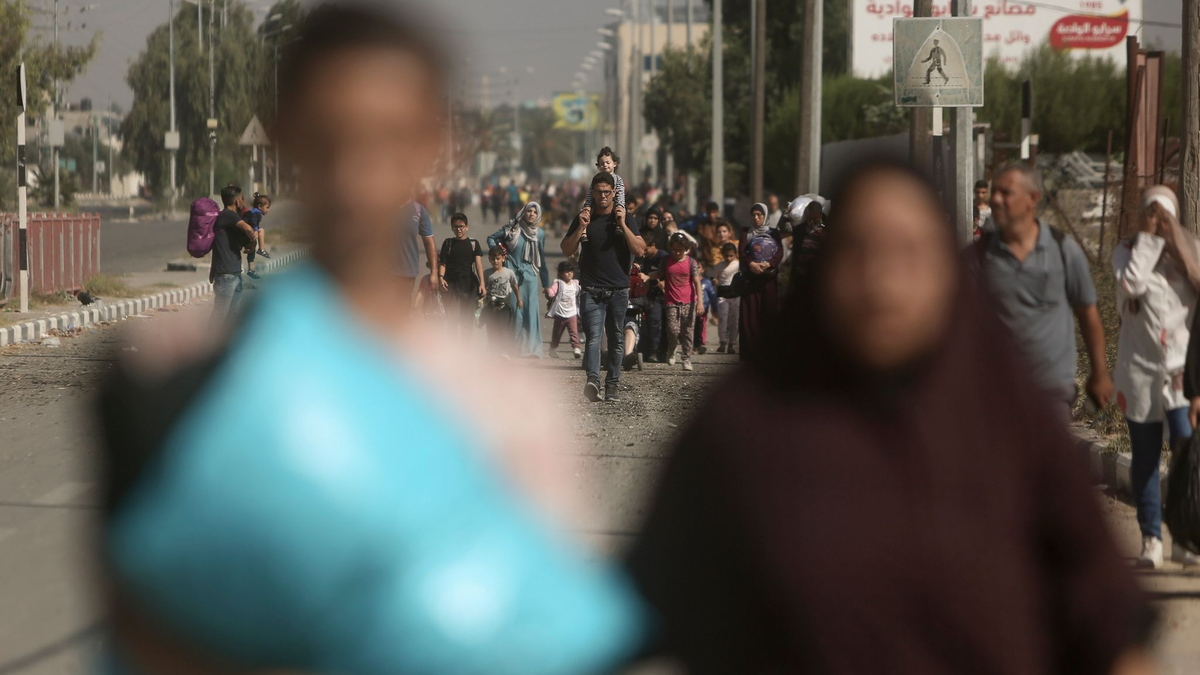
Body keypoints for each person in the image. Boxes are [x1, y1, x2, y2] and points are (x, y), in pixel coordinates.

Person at [96, 6, 643, 675]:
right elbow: (139, 622)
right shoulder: (177, 376)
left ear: (431, 148)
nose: (355, 174)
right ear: (288, 137)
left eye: (386, 138)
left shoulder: (509, 402)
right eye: (330, 138)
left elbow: (547, 633)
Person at [627, 160, 1155, 675]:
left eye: (909, 254)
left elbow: (1106, 616)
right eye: (858, 252)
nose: (881, 282)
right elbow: (642, 613)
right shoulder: (746, 425)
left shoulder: (1009, 420)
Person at [976, 162, 1113, 420]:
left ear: (1032, 199)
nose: (995, 199)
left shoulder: (1062, 249)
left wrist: (1100, 373)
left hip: (1051, 391)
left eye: (1006, 193)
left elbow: (1088, 313)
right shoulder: (978, 257)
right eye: (994, 192)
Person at [1115, 186, 1200, 568]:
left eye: (1164, 216)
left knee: (1187, 451)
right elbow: (1131, 286)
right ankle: (1151, 539)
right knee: (1146, 457)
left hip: (1185, 374)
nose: (1159, 222)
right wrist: (1148, 241)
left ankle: (1185, 537)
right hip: (1141, 373)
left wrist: (1178, 245)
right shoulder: (1127, 252)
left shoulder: (1192, 250)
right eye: (1151, 214)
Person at [562, 172, 645, 402]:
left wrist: (622, 223)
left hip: (618, 290)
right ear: (593, 193)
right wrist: (581, 228)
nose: (603, 196)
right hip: (591, 290)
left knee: (617, 339)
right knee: (594, 338)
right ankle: (592, 381)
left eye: (607, 192)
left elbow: (640, 249)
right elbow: (566, 249)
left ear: (614, 193)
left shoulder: (625, 218)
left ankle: (612, 386)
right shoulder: (584, 218)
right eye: (598, 192)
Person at [488, 202, 552, 358]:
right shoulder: (512, 229)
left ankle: (533, 350)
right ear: (523, 212)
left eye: (534, 212)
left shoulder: (540, 234)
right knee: (516, 312)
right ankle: (515, 349)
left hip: (530, 276)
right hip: (512, 274)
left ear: (538, 215)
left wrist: (546, 284)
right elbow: (491, 239)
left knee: (531, 312)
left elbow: (541, 258)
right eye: (528, 211)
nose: (531, 214)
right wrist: (501, 252)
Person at [738, 202, 784, 361]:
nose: (756, 218)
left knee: (768, 314)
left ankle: (768, 355)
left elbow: (779, 252)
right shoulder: (746, 232)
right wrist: (751, 264)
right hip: (751, 280)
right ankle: (749, 355)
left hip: (767, 280)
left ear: (765, 216)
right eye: (754, 215)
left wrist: (769, 264)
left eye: (759, 215)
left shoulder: (774, 232)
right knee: (748, 316)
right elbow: (742, 252)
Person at [655, 232, 703, 371]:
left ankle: (686, 359)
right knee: (672, 330)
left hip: (689, 301)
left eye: (680, 250)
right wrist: (647, 277)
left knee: (688, 331)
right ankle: (672, 348)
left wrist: (700, 302)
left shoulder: (691, 263)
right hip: (671, 301)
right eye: (674, 250)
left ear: (685, 249)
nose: (677, 253)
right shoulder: (666, 260)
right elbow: (658, 274)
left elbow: (697, 282)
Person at [210, 184, 257, 323]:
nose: (242, 202)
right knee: (220, 315)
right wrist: (254, 241)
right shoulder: (228, 215)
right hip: (226, 276)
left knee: (232, 318)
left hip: (234, 273)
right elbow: (248, 229)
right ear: (237, 201)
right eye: (241, 198)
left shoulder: (229, 218)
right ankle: (210, 342)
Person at [438, 211, 486, 338]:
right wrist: (441, 278)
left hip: (468, 285)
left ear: (467, 227)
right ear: (452, 228)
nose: (459, 229)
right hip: (451, 284)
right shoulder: (448, 243)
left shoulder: (474, 244)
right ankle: (452, 348)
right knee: (452, 317)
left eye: (461, 226)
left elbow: (478, 265)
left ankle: (465, 348)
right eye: (456, 227)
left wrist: (482, 284)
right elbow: (443, 264)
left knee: (467, 317)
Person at [396, 198, 439, 314]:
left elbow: (429, 242)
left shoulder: (418, 210)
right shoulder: (382, 207)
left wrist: (434, 273)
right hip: (383, 272)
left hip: (407, 272)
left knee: (402, 312)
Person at [484, 245, 521, 354]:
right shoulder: (487, 273)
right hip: (490, 305)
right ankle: (493, 351)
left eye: (498, 258)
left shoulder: (508, 272)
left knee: (504, 328)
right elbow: (483, 287)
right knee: (491, 328)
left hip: (504, 306)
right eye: (493, 259)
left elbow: (514, 285)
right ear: (489, 259)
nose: (495, 261)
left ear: (503, 259)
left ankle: (504, 351)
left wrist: (519, 299)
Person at [547, 260, 582, 359]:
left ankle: (576, 348)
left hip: (572, 313)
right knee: (557, 333)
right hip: (560, 314)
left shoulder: (575, 284)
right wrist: (549, 292)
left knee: (574, 332)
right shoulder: (558, 283)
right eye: (567, 271)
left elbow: (581, 291)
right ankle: (553, 348)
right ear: (561, 274)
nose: (569, 273)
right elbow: (552, 291)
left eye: (571, 271)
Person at [713, 242, 741, 354]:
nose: (728, 258)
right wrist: (714, 281)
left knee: (734, 321)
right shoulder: (718, 266)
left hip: (735, 296)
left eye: (731, 255)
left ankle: (732, 344)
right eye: (726, 256)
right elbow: (715, 278)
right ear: (722, 254)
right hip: (723, 296)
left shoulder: (738, 265)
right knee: (723, 320)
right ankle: (722, 342)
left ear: (735, 254)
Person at [243, 192, 272, 280]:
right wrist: (255, 231)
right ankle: (261, 249)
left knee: (252, 249)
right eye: (267, 207)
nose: (268, 210)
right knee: (261, 231)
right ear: (260, 206)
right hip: (247, 231)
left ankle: (251, 269)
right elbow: (253, 222)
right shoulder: (256, 213)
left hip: (245, 232)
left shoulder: (253, 211)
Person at [692, 259, 717, 356]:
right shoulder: (689, 281)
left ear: (703, 270)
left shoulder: (706, 282)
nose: (696, 269)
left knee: (701, 327)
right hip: (690, 308)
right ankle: (693, 345)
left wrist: (715, 308)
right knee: (691, 327)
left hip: (703, 309)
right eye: (694, 267)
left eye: (698, 267)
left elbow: (712, 295)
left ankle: (700, 344)